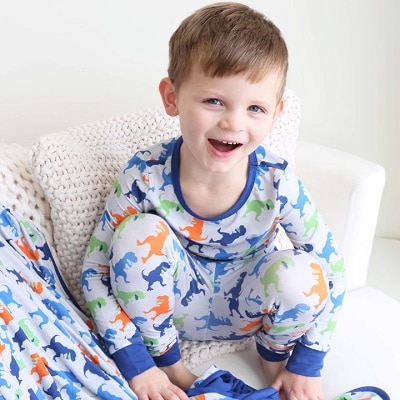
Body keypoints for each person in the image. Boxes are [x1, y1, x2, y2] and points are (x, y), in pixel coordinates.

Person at [82, 3, 346, 400]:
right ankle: (172, 369)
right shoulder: (145, 174)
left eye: (255, 108)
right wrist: (138, 364)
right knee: (138, 234)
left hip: (250, 308)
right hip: (170, 313)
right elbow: (95, 269)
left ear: (276, 114)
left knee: (304, 271)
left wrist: (307, 360)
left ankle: (274, 366)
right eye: (214, 102)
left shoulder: (277, 182)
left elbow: (332, 268)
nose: (233, 123)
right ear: (172, 98)